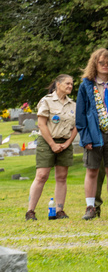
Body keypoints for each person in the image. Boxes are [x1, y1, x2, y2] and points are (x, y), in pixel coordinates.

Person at [76, 48, 108, 220]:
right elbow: (81, 114)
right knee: (92, 171)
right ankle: (90, 207)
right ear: (95, 64)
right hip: (93, 133)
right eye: (101, 63)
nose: (105, 66)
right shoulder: (86, 85)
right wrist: (85, 137)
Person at [26, 75, 77, 221]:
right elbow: (41, 124)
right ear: (58, 84)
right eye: (67, 83)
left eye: (71, 84)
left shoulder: (73, 104)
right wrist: (52, 145)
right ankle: (30, 211)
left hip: (64, 143)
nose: (70, 86)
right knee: (41, 176)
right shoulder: (46, 101)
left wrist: (67, 143)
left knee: (61, 177)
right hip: (47, 141)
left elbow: (76, 126)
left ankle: (59, 210)